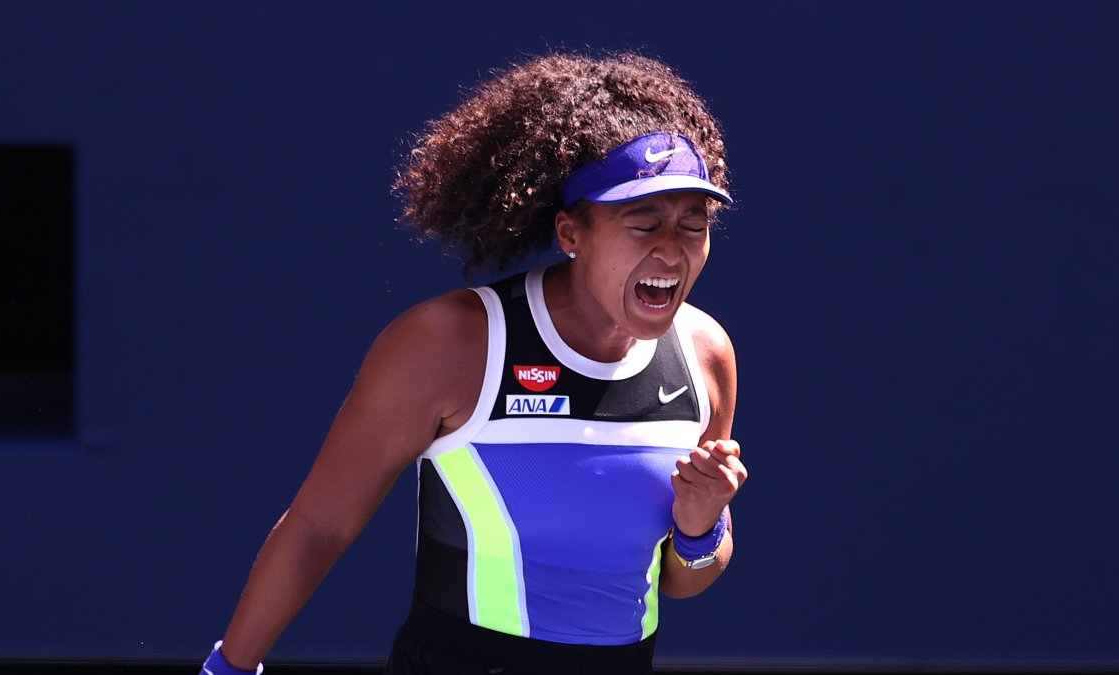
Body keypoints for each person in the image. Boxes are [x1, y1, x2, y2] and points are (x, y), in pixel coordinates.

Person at [200, 51, 748, 675]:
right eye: (644, 224)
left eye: (692, 224)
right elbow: (318, 525)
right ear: (572, 234)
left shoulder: (705, 355)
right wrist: (229, 668)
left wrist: (701, 531)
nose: (672, 252)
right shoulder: (453, 343)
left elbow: (681, 581)